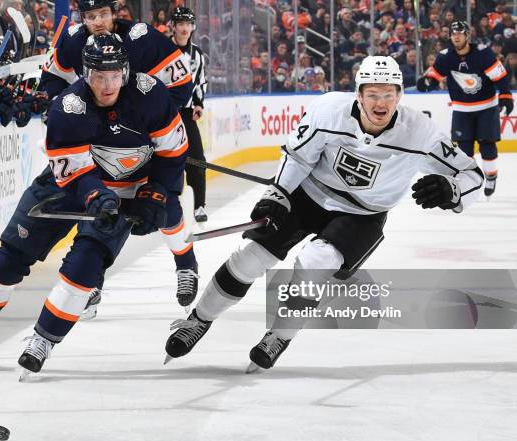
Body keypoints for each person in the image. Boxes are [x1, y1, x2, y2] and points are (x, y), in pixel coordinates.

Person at [164, 55, 484, 372]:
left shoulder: (421, 133)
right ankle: (199, 320)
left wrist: (451, 190)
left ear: (400, 96)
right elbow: (299, 157)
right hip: (309, 195)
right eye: (373, 94)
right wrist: (277, 194)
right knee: (251, 257)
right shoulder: (329, 110)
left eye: (389, 94)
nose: (381, 102)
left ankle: (279, 335)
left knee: (315, 262)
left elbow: (473, 175)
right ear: (358, 94)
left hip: (362, 214)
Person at [0, 34, 189, 374]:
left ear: (125, 70)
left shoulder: (151, 95)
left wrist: (155, 194)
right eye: (99, 77)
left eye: (114, 76)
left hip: (125, 188)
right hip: (67, 184)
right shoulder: (68, 106)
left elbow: (173, 153)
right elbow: (74, 173)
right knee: (11, 254)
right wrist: (95, 195)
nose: (108, 85)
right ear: (85, 74)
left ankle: (43, 339)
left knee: (87, 266)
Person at [39, 0, 200, 316]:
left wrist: (146, 118)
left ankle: (186, 264)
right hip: (97, 139)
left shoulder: (141, 36)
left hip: (144, 139)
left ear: (114, 13)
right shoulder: (72, 39)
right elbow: (53, 78)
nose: (97, 21)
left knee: (163, 204)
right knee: (99, 205)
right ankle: (91, 282)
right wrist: (63, 109)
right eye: (90, 16)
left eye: (102, 14)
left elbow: (182, 83)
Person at [417, 21, 513, 197]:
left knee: (487, 145)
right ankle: (469, 181)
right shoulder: (446, 57)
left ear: (468, 35)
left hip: (487, 107)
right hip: (462, 110)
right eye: (453, 34)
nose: (457, 37)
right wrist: (427, 82)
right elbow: (434, 75)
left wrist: (506, 96)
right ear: (450, 36)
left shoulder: (483, 53)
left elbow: (500, 76)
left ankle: (491, 176)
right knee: (463, 150)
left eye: (460, 33)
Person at [170, 7, 208, 222]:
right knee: (166, 160)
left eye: (188, 24)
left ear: (192, 27)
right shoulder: (163, 50)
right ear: (173, 26)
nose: (184, 28)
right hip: (164, 115)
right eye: (180, 24)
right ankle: (166, 204)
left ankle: (199, 206)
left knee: (197, 159)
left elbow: (200, 81)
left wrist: (199, 103)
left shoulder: (197, 54)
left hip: (186, 113)